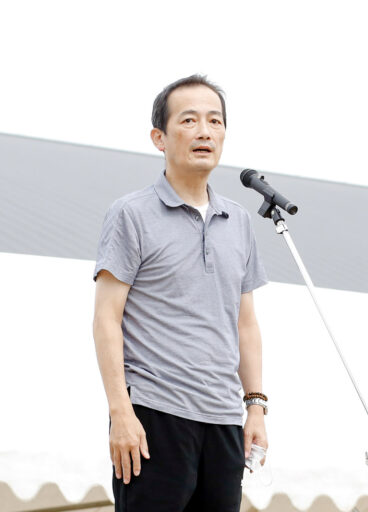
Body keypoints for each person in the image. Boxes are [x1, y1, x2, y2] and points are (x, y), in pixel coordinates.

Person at [92, 74, 268, 511]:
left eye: (215, 121)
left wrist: (256, 407)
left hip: (224, 420)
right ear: (160, 137)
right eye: (189, 120)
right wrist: (120, 412)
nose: (205, 131)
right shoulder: (131, 214)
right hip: (154, 415)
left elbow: (245, 323)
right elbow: (106, 318)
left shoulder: (239, 222)